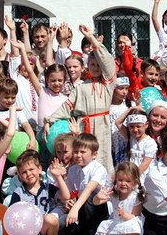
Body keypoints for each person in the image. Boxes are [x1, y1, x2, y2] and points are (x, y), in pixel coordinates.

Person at [49, 25, 117, 175]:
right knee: (81, 161)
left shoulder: (107, 84)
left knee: (102, 158)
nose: (96, 67)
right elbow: (66, 108)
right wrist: (49, 121)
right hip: (82, 126)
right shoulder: (80, 87)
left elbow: (108, 62)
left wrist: (91, 38)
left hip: (101, 126)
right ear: (87, 66)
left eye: (98, 65)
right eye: (92, 64)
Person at [6, 150, 71, 235]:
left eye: (31, 169)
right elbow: (12, 216)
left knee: (51, 219)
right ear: (20, 175)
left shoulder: (47, 188)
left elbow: (66, 196)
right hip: (27, 232)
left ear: (39, 169)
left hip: (43, 228)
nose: (29, 174)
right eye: (24, 172)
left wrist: (58, 177)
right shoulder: (18, 193)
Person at [64, 133, 110, 235]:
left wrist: (75, 208)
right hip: (81, 209)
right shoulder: (73, 170)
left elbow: (89, 188)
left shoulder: (99, 169)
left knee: (91, 195)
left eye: (82, 152)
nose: (78, 155)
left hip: (98, 210)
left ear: (94, 154)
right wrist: (69, 202)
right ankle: (80, 233)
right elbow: (70, 192)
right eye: (75, 151)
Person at [93, 161, 145, 235]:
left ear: (135, 182)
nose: (123, 183)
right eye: (120, 180)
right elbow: (96, 203)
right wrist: (98, 197)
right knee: (103, 228)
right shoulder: (114, 194)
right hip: (116, 221)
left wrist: (125, 215)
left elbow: (135, 215)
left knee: (135, 226)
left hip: (129, 221)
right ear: (116, 180)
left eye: (128, 181)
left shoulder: (135, 196)